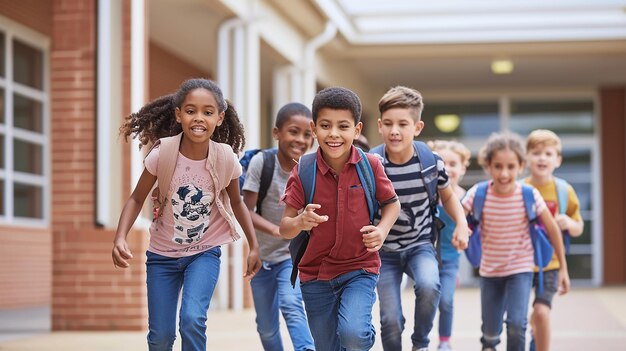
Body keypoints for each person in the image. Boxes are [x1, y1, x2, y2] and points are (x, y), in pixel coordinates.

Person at [112, 78, 262, 351]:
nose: (198, 118)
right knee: (161, 337)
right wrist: (120, 237)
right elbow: (136, 198)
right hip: (162, 257)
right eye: (191, 111)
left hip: (204, 253)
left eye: (207, 112)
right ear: (179, 115)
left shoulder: (226, 157)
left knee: (192, 319)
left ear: (219, 118)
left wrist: (253, 246)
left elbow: (238, 203)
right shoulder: (163, 153)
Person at [279, 87, 401, 351]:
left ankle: (360, 336)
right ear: (314, 129)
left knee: (353, 335)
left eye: (342, 126)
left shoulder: (371, 165)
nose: (333, 134)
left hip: (360, 268)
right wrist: (300, 221)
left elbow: (392, 203)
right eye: (325, 125)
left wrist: (382, 230)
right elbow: (285, 227)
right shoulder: (304, 170)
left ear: (356, 130)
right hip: (315, 276)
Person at [371, 86, 469, 351]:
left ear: (417, 127)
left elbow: (448, 198)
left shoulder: (429, 161)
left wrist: (461, 222)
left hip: (420, 245)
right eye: (388, 124)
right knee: (390, 320)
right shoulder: (372, 164)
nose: (395, 131)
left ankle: (420, 343)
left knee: (429, 286)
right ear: (379, 126)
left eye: (403, 124)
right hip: (384, 251)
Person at [461, 132, 570, 351]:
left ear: (521, 166)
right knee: (491, 332)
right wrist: (459, 231)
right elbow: (459, 218)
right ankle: (489, 345)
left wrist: (563, 270)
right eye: (498, 166)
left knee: (517, 325)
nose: (504, 173)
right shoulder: (478, 193)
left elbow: (553, 230)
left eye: (511, 167)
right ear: (488, 165)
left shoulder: (529, 195)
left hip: (520, 268)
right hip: (490, 271)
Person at [242, 102, 316, 351]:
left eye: (307, 134)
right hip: (262, 257)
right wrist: (275, 230)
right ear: (276, 133)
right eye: (293, 131)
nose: (300, 139)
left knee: (291, 304)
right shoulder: (262, 163)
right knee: (266, 326)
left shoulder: (310, 169)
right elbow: (245, 210)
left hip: (292, 256)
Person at [524, 129, 583, 351]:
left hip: (551, 264)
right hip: (521, 262)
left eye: (548, 154)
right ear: (527, 158)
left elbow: (578, 228)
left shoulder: (563, 190)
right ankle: (534, 330)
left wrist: (569, 222)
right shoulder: (521, 189)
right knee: (519, 316)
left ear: (557, 160)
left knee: (541, 311)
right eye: (536, 153)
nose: (542, 158)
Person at [428, 140, 472, 351]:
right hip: (427, 257)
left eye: (453, 163)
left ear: (463, 168)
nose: (448, 168)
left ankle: (444, 341)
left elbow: (474, 227)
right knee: (427, 300)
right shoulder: (429, 195)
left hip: (451, 260)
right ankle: (423, 339)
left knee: (445, 301)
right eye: (443, 163)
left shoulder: (467, 198)